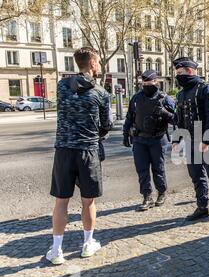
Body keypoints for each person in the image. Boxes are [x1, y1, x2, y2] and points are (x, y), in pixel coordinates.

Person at [47, 47, 114, 265]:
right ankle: (87, 244)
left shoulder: (62, 86)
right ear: (93, 64)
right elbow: (107, 124)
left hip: (64, 150)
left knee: (61, 202)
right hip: (88, 150)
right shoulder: (101, 93)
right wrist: (96, 133)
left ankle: (56, 250)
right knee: (88, 201)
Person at [171, 57, 209, 221]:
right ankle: (202, 207)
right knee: (196, 176)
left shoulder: (207, 89)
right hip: (190, 140)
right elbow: (179, 119)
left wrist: (206, 141)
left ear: (190, 71)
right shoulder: (181, 94)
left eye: (180, 72)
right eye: (177, 73)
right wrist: (176, 139)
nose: (178, 76)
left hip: (206, 140)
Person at [123, 69, 176, 211]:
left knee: (158, 168)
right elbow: (129, 117)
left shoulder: (165, 99)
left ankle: (162, 192)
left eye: (149, 82)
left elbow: (176, 119)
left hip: (158, 139)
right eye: (144, 83)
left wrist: (165, 113)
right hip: (139, 139)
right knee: (142, 170)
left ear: (156, 82)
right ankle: (147, 196)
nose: (146, 85)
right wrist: (125, 134)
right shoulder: (136, 98)